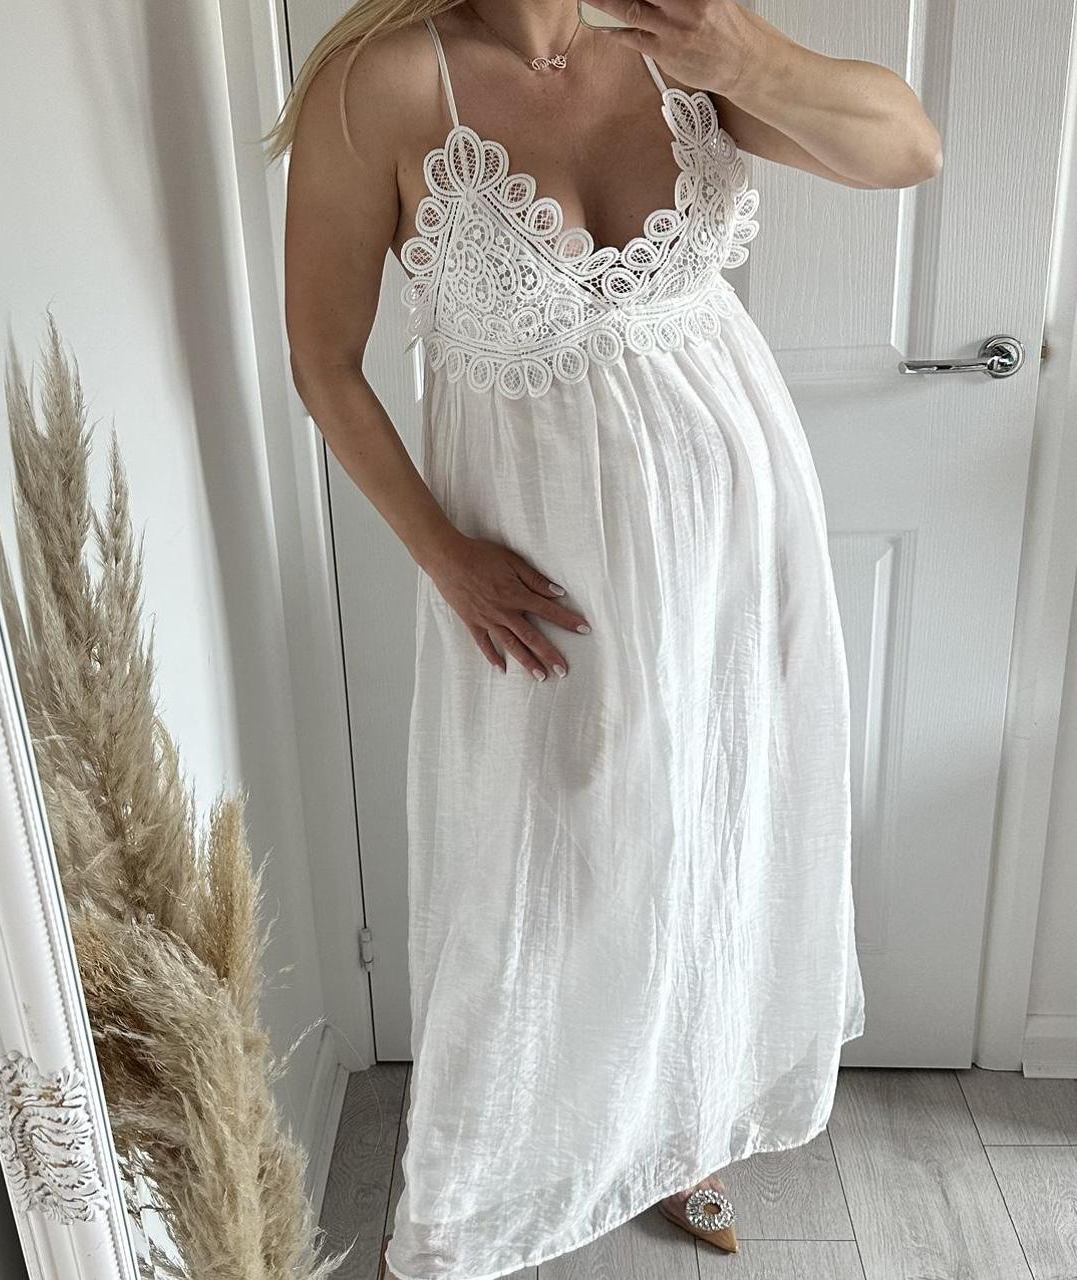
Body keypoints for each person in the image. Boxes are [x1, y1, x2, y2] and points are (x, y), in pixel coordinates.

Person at [270, 2, 941, 1277]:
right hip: (535, 565)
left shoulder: (678, 31)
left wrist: (747, 61)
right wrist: (440, 552)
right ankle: (462, 1211)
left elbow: (907, 149)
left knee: (708, 827)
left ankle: (682, 1128)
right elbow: (323, 359)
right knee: (533, 869)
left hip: (734, 539)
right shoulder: (382, 84)